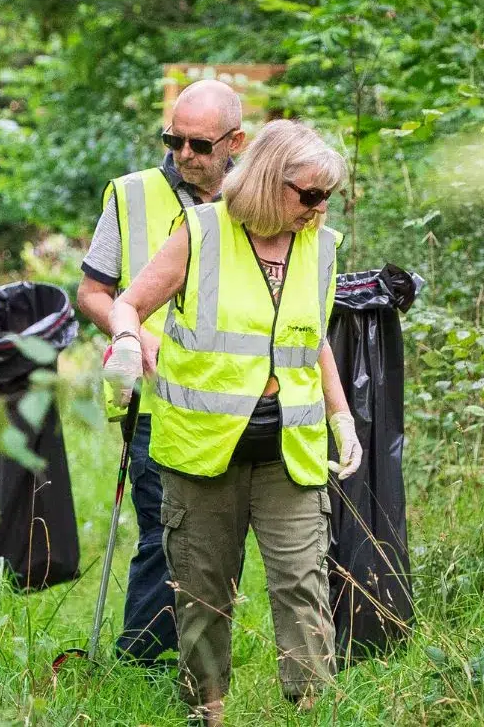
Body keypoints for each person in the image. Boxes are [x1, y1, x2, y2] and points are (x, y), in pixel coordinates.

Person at [101, 119, 365, 725]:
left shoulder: (320, 244)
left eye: (326, 196)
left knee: (303, 583)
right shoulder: (199, 233)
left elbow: (314, 337)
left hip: (289, 450)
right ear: (271, 181)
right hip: (201, 449)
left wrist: (341, 417)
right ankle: (207, 711)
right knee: (203, 591)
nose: (318, 207)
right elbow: (129, 302)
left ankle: (309, 708)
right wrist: (124, 340)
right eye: (309, 194)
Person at [75, 79, 245, 666]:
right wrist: (132, 331)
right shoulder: (130, 195)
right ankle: (143, 663)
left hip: (240, 403)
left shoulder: (259, 201)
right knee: (165, 532)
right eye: (174, 141)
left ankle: (200, 656)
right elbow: (93, 293)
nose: (183, 155)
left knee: (219, 542)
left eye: (199, 145)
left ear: (234, 142)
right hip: (157, 403)